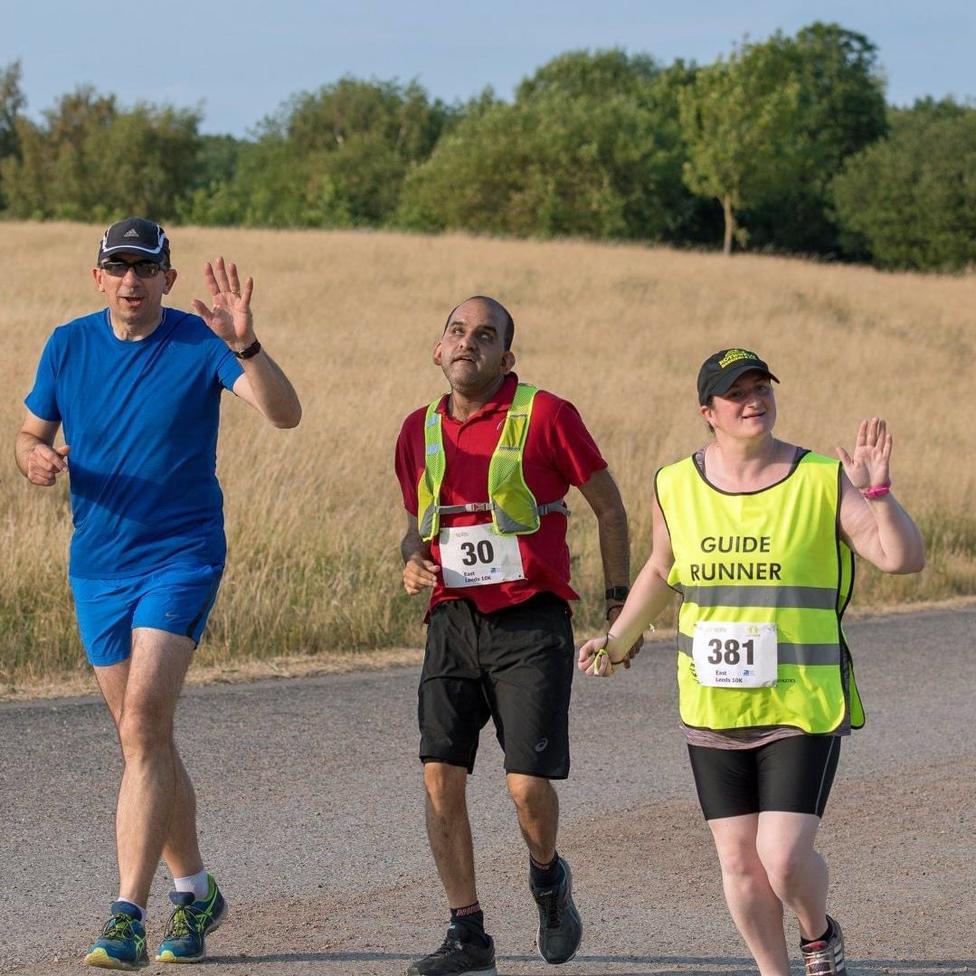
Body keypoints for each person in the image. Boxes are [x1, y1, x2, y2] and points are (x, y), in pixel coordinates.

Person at [579, 348, 924, 976]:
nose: (753, 400)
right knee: (738, 861)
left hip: (802, 700)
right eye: (736, 393)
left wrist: (877, 492)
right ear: (707, 411)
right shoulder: (674, 483)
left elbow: (900, 559)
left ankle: (817, 933)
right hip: (713, 701)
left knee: (783, 856)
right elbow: (662, 567)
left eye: (761, 386)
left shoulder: (819, 477)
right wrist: (619, 637)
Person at [16, 218, 301, 970]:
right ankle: (196, 890)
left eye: (147, 268)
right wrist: (35, 457)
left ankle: (124, 916)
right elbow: (27, 434)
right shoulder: (67, 344)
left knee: (143, 724)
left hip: (181, 557)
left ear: (168, 279)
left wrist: (243, 343)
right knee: (144, 740)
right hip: (97, 565)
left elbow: (284, 413)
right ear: (98, 275)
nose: (133, 281)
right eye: (120, 267)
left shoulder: (198, 342)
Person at [394, 296, 640, 976]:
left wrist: (620, 608)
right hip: (451, 620)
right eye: (456, 330)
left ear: (507, 358)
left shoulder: (548, 415)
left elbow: (610, 508)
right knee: (440, 774)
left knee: (525, 786)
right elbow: (421, 518)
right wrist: (411, 558)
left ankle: (547, 879)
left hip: (531, 622)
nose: (467, 341)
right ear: (438, 350)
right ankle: (468, 934)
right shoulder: (418, 430)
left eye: (485, 334)